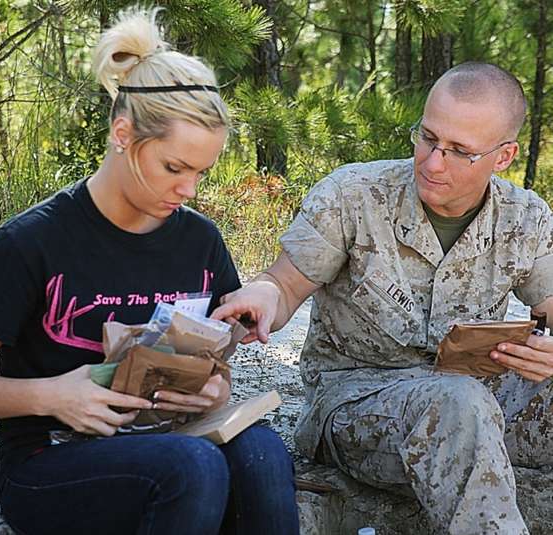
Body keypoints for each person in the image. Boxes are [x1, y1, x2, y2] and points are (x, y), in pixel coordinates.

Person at [0, 8, 299, 535]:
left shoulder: (200, 241)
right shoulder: (30, 242)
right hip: (50, 458)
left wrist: (215, 390)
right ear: (123, 133)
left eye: (201, 172)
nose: (188, 189)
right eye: (174, 167)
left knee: (262, 451)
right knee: (193, 468)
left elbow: (215, 355)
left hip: (168, 439)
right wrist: (50, 395)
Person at [212, 62, 553, 534]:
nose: (433, 162)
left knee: (470, 400)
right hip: (357, 405)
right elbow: (284, 285)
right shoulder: (354, 196)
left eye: (459, 151)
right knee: (458, 404)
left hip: (478, 398)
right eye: (427, 138)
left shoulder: (525, 218)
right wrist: (263, 297)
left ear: (503, 156)